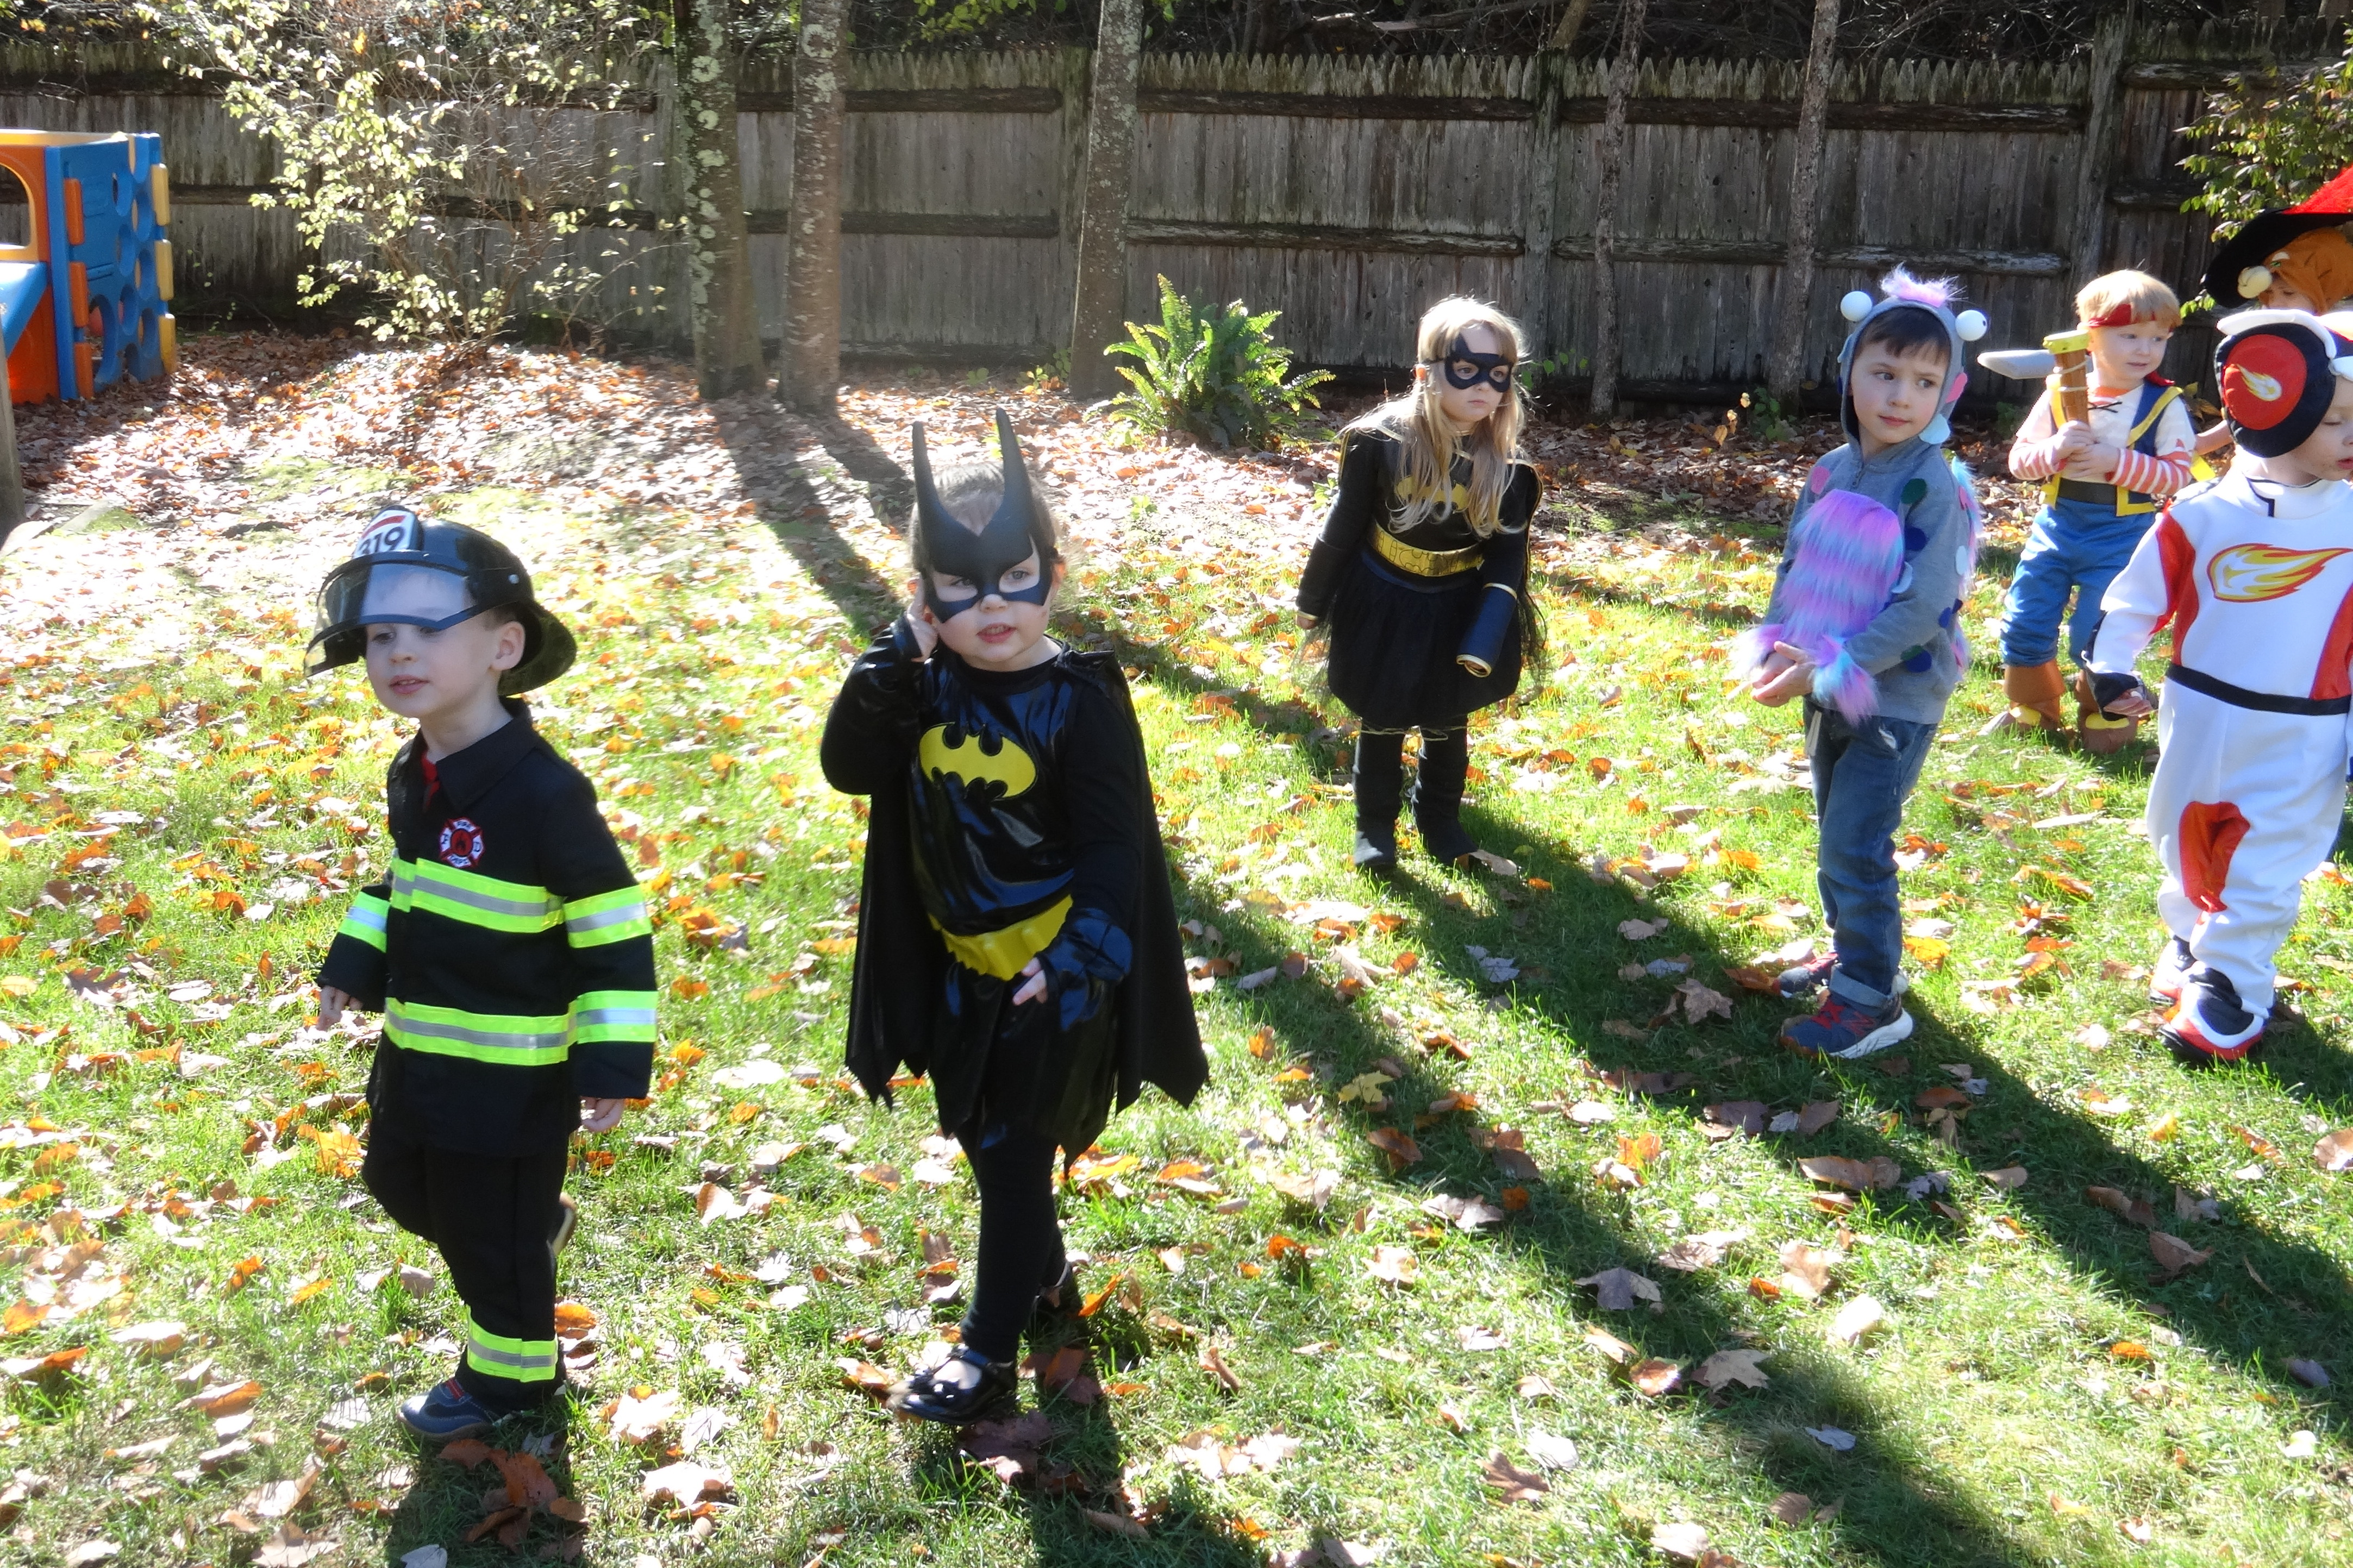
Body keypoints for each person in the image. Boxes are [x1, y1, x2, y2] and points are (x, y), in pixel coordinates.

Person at [821, 412, 1206, 1425]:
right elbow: (848, 767)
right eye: (959, 584)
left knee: (1012, 1147)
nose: (992, 603)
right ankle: (1045, 1277)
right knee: (980, 1133)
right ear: (923, 594)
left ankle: (986, 1350)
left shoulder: (1078, 697)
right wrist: (891, 660)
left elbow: (1118, 846)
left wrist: (1084, 954)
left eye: (1015, 576)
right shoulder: (920, 686)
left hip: (1055, 969)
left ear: (1053, 574)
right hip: (961, 966)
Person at [310, 505, 655, 1439]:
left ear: (505, 647)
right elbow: (407, 881)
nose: (398, 652)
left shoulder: (544, 794)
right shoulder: (417, 770)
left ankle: (510, 1379)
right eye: (380, 634)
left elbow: (612, 928)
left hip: (510, 1079)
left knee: (483, 1244)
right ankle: (524, 1229)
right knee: (397, 1181)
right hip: (423, 1054)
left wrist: (611, 1062)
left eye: (428, 629)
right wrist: (356, 955)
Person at [2084, 309, 2353, 1064]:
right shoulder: (2203, 513)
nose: (2350, 436)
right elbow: (2135, 600)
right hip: (2196, 710)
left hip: (2304, 727)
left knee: (2263, 860)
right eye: (2336, 420)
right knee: (2181, 835)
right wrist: (2110, 666)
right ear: (2275, 406)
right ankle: (2189, 936)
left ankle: (2231, 986)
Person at [1739, 270, 1987, 1059]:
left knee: (1857, 840)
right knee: (1835, 832)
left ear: (1947, 391)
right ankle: (1856, 953)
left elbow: (1925, 607)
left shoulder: (1933, 485)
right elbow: (1797, 562)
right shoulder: (1831, 470)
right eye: (1884, 373)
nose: (1900, 396)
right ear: (1850, 371)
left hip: (1895, 697)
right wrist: (1780, 640)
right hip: (1821, 680)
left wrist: (1831, 666)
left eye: (1923, 382)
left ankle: (1870, 1000)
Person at [1295, 297, 1544, 871]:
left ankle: (1440, 821)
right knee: (1381, 716)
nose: (1484, 386)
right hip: (1381, 596)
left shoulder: (1509, 472)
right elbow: (1343, 525)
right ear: (1426, 373)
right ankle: (1374, 826)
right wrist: (1313, 597)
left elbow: (1507, 558)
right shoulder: (1379, 444)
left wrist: (1487, 630)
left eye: (1499, 374)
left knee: (1447, 720)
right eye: (1468, 369)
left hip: (1456, 605)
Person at [2000, 271, 2197, 751]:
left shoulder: (2163, 404)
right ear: (2090, 338)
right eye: (2129, 336)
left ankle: (2104, 710)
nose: (2145, 350)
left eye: (2158, 339)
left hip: (2121, 536)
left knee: (2098, 630)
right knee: (2026, 617)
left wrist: (2116, 462)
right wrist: (2055, 449)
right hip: (2057, 526)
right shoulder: (2060, 393)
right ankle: (2034, 705)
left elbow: (2178, 476)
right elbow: (2020, 463)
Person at [2192, 165, 2353, 460]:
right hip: (2271, 468)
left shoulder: (2342, 339)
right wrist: (2202, 444)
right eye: (2270, 294)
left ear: (2325, 289)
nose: (2276, 303)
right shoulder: (2276, 342)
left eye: (2289, 294)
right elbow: (2256, 408)